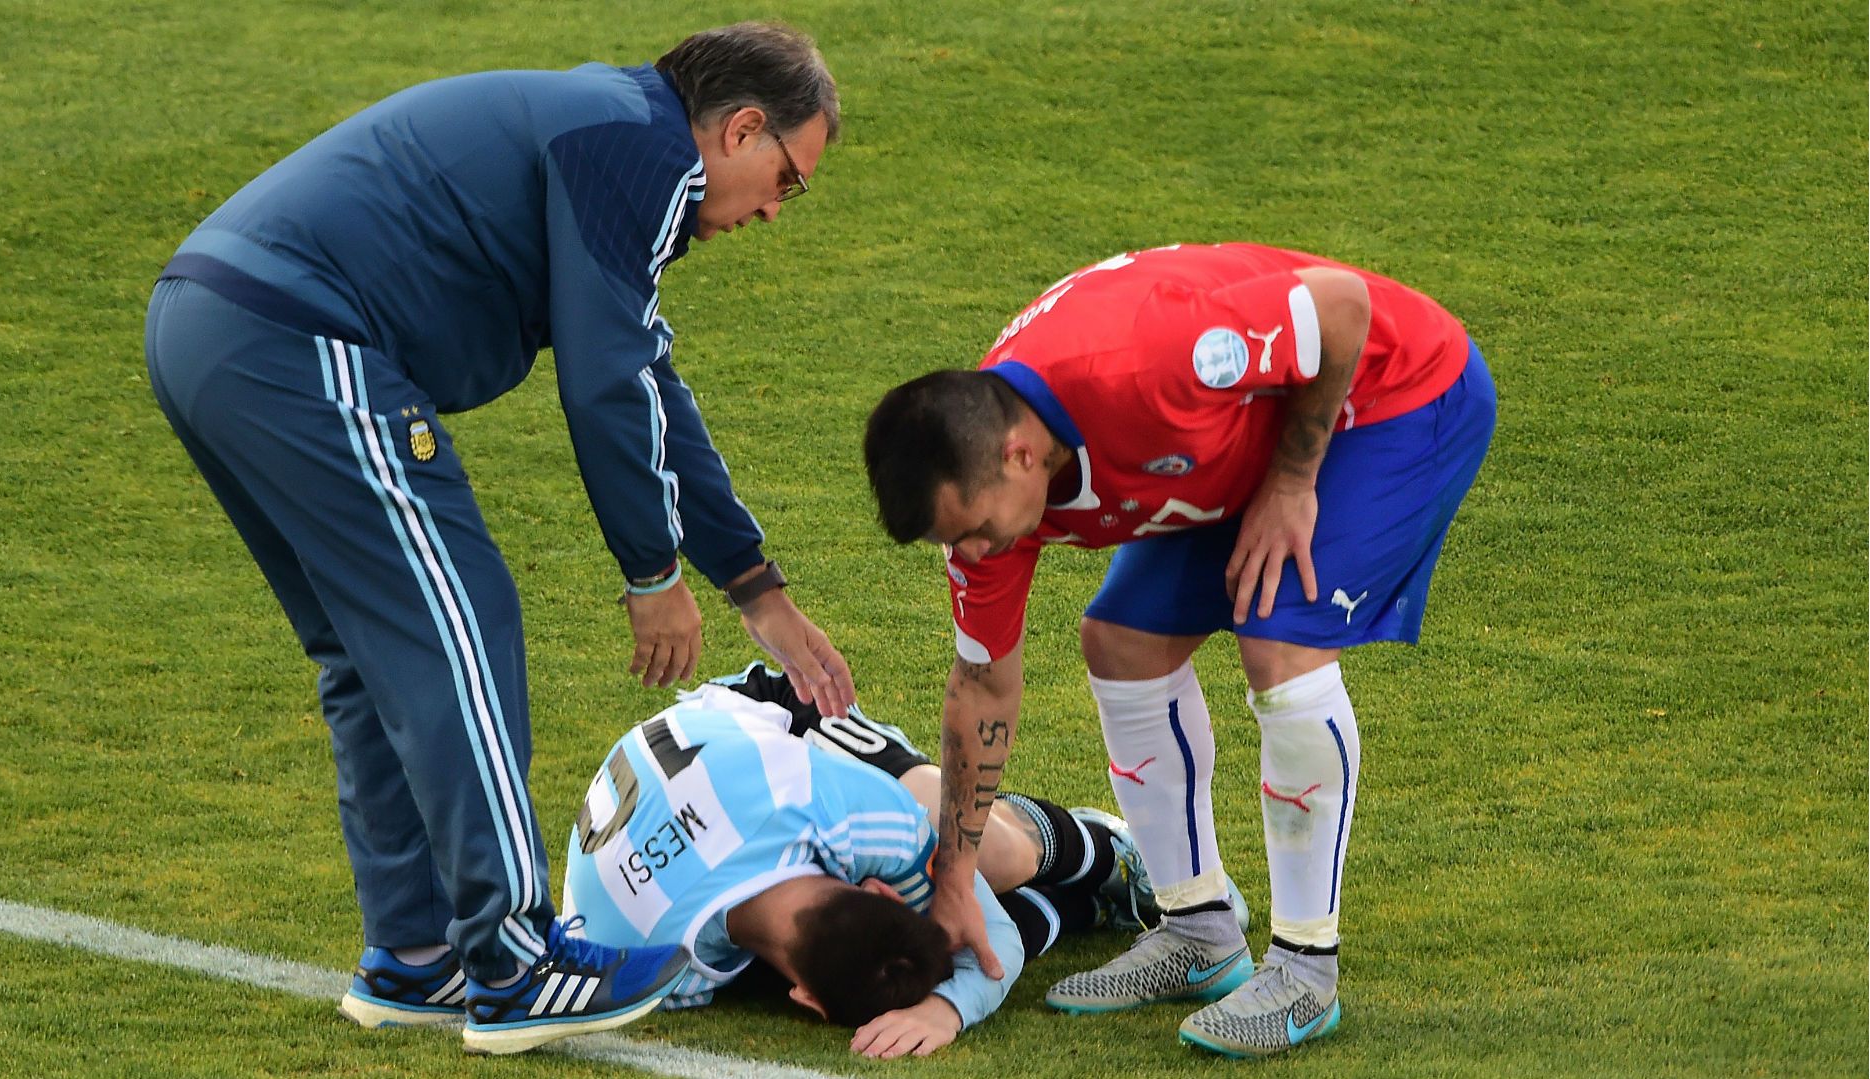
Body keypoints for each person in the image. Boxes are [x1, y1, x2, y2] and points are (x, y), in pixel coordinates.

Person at [142, 23, 857, 1056]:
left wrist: (756, 585)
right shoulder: (642, 151)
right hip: (300, 336)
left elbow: (647, 378)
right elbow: (604, 383)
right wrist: (650, 572)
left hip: (209, 325)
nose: (775, 211)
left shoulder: (611, 129)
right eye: (787, 178)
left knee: (369, 649)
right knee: (458, 627)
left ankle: (414, 955)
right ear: (741, 129)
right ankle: (513, 959)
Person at [862, 242, 1497, 1057]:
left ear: (1022, 456)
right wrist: (955, 874)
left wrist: (1293, 481)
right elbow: (981, 685)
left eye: (978, 529)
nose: (976, 554)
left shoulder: (1148, 362)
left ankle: (1305, 970)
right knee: (1120, 640)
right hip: (1241, 435)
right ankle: (1198, 931)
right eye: (958, 541)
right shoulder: (981, 495)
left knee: (1278, 636)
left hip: (1391, 396)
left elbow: (1339, 307)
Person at [560, 662, 1230, 1059]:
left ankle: (1105, 847)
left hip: (777, 722)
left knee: (987, 856)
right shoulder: (657, 976)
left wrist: (948, 1010)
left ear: (876, 885)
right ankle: (1078, 908)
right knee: (890, 967)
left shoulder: (843, 810)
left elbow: (985, 932)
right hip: (723, 788)